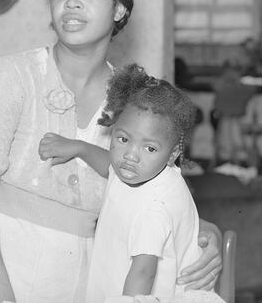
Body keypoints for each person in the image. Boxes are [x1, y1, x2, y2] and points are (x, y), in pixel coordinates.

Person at [0, 0, 222, 303]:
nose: (70, 1)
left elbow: (158, 191)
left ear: (119, 9)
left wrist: (200, 228)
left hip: (79, 276)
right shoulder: (8, 77)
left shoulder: (134, 102)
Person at [85, 64, 226, 303]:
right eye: (123, 139)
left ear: (173, 154)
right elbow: (109, 166)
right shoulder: (143, 170)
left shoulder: (153, 210)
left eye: (149, 148)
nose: (130, 155)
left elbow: (143, 273)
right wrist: (78, 148)